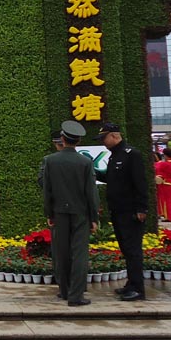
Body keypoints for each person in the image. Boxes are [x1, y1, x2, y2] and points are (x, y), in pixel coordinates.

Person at [41, 120, 99, 307]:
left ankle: (64, 291)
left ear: (63, 139)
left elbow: (46, 190)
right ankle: (76, 295)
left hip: (58, 212)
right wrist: (94, 218)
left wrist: (49, 214)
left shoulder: (50, 160)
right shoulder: (85, 162)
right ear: (78, 142)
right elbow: (91, 192)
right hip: (81, 213)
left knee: (61, 252)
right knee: (79, 254)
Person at [94, 122, 148, 302]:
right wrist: (90, 171)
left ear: (114, 136)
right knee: (126, 248)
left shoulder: (132, 155)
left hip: (130, 211)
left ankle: (138, 289)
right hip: (117, 211)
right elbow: (109, 178)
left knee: (133, 250)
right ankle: (131, 284)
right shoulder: (113, 156)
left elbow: (140, 183)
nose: (103, 142)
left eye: (104, 138)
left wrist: (142, 208)